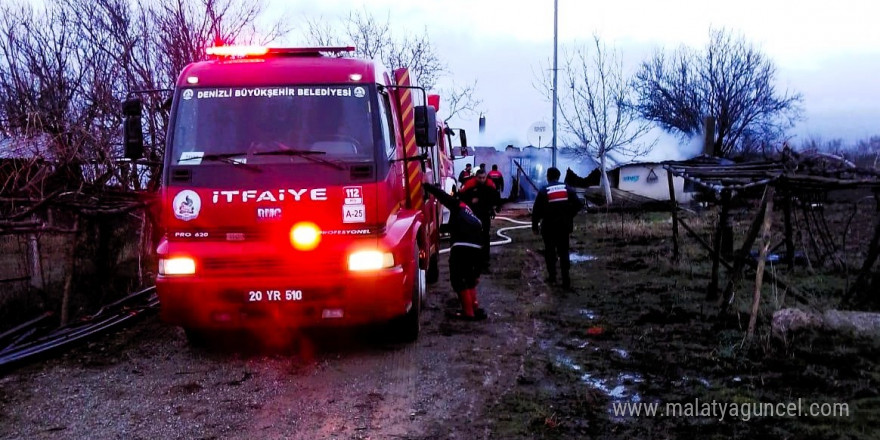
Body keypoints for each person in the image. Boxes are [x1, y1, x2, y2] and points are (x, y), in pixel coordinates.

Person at [423, 182, 487, 320]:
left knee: (457, 279)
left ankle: (468, 313)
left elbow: (443, 196)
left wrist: (427, 187)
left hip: (461, 246)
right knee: (469, 277)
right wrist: (477, 272)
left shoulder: (459, 205)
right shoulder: (473, 215)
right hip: (477, 248)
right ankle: (474, 307)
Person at [531, 167, 583, 289]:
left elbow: (536, 210)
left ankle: (552, 277)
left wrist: (535, 226)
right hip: (564, 227)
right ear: (559, 177)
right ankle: (566, 280)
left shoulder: (544, 190)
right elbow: (578, 204)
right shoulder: (567, 189)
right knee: (564, 252)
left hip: (548, 227)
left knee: (550, 252)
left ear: (547, 177)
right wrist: (569, 215)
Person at [459, 168, 500, 273]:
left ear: (486, 177)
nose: (482, 180)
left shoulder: (490, 184)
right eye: (480, 178)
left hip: (485, 215)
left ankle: (485, 263)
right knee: (472, 237)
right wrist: (470, 201)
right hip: (473, 215)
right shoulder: (469, 184)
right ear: (476, 177)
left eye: (483, 178)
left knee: (485, 237)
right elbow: (461, 198)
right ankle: (472, 262)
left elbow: (495, 197)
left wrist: (494, 208)